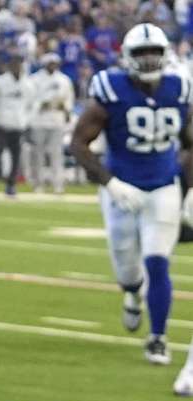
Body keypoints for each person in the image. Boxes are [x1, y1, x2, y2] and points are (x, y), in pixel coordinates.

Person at [70, 23, 192, 366]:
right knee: (127, 267)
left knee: (158, 261)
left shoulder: (179, 88)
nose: (150, 59)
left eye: (155, 52)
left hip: (164, 185)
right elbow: (78, 144)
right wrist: (110, 182)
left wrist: (191, 189)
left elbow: (191, 143)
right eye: (142, 53)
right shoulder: (111, 89)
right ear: (127, 56)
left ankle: (158, 337)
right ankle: (131, 293)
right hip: (121, 188)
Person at [0, 53, 34, 195]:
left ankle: (11, 185)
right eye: (14, 65)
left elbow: (33, 104)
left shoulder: (28, 84)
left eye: (19, 65)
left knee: (16, 157)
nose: (17, 68)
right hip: (2, 124)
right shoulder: (0, 82)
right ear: (10, 67)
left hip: (19, 125)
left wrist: (26, 119)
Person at [27, 52, 74, 193]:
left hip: (56, 120)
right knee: (38, 154)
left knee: (56, 154)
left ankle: (58, 184)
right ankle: (38, 184)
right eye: (50, 63)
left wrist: (66, 110)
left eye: (55, 63)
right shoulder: (34, 79)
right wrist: (41, 104)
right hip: (39, 120)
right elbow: (29, 99)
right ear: (44, 64)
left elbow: (69, 99)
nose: (53, 66)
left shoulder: (64, 79)